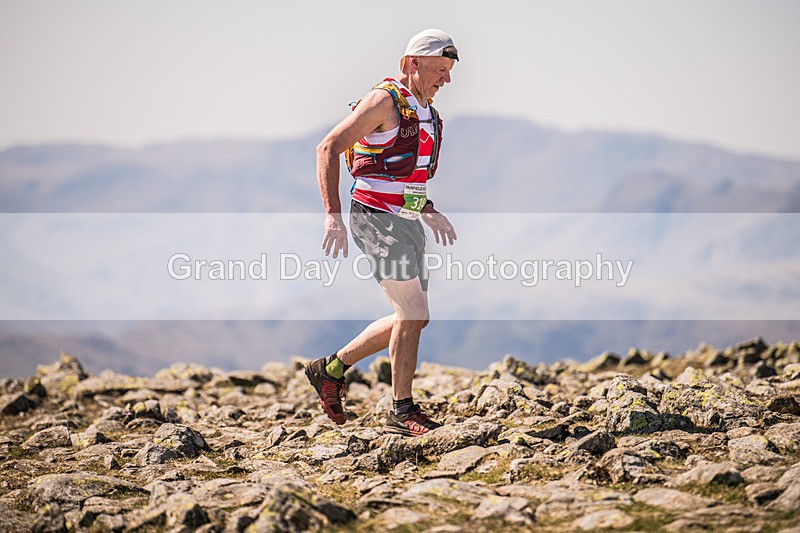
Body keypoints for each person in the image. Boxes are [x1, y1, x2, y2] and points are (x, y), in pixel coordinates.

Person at [305, 29, 459, 437]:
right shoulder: (384, 101)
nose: (446, 79)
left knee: (413, 318)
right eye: (440, 70)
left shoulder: (424, 110)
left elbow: (400, 172)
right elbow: (328, 148)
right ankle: (401, 410)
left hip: (405, 220)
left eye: (448, 71)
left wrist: (428, 209)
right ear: (412, 63)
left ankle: (330, 369)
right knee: (413, 313)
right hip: (373, 219)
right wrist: (332, 216)